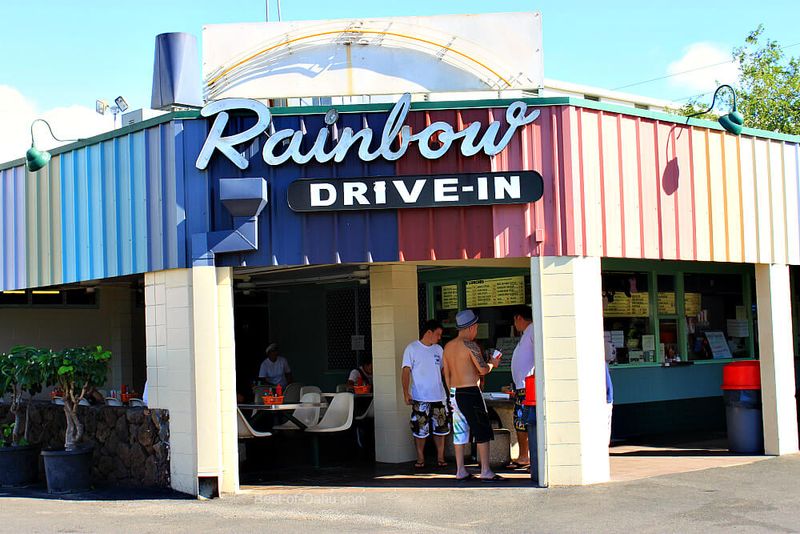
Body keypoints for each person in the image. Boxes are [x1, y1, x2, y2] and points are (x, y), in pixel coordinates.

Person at [443, 309, 504, 481]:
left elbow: (446, 373)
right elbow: (482, 370)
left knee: (459, 431)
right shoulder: (469, 345)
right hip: (470, 391)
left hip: (454, 392)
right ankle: (485, 470)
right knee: (482, 430)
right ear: (472, 327)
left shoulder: (447, 347)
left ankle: (460, 470)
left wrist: (450, 394)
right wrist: (493, 363)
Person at [401, 319, 449, 469]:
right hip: (420, 396)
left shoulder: (438, 350)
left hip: (439, 396)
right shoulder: (412, 348)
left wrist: (450, 387)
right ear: (429, 332)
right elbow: (405, 371)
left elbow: (443, 370)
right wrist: (405, 392)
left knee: (441, 429)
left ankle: (440, 457)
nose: (439, 337)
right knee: (420, 429)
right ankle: (420, 458)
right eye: (438, 334)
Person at [508, 305, 535, 469]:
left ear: (519, 318)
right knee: (521, 421)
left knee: (525, 421)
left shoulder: (532, 331)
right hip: (522, 386)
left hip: (528, 386)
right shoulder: (527, 334)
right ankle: (524, 455)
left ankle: (526, 455)